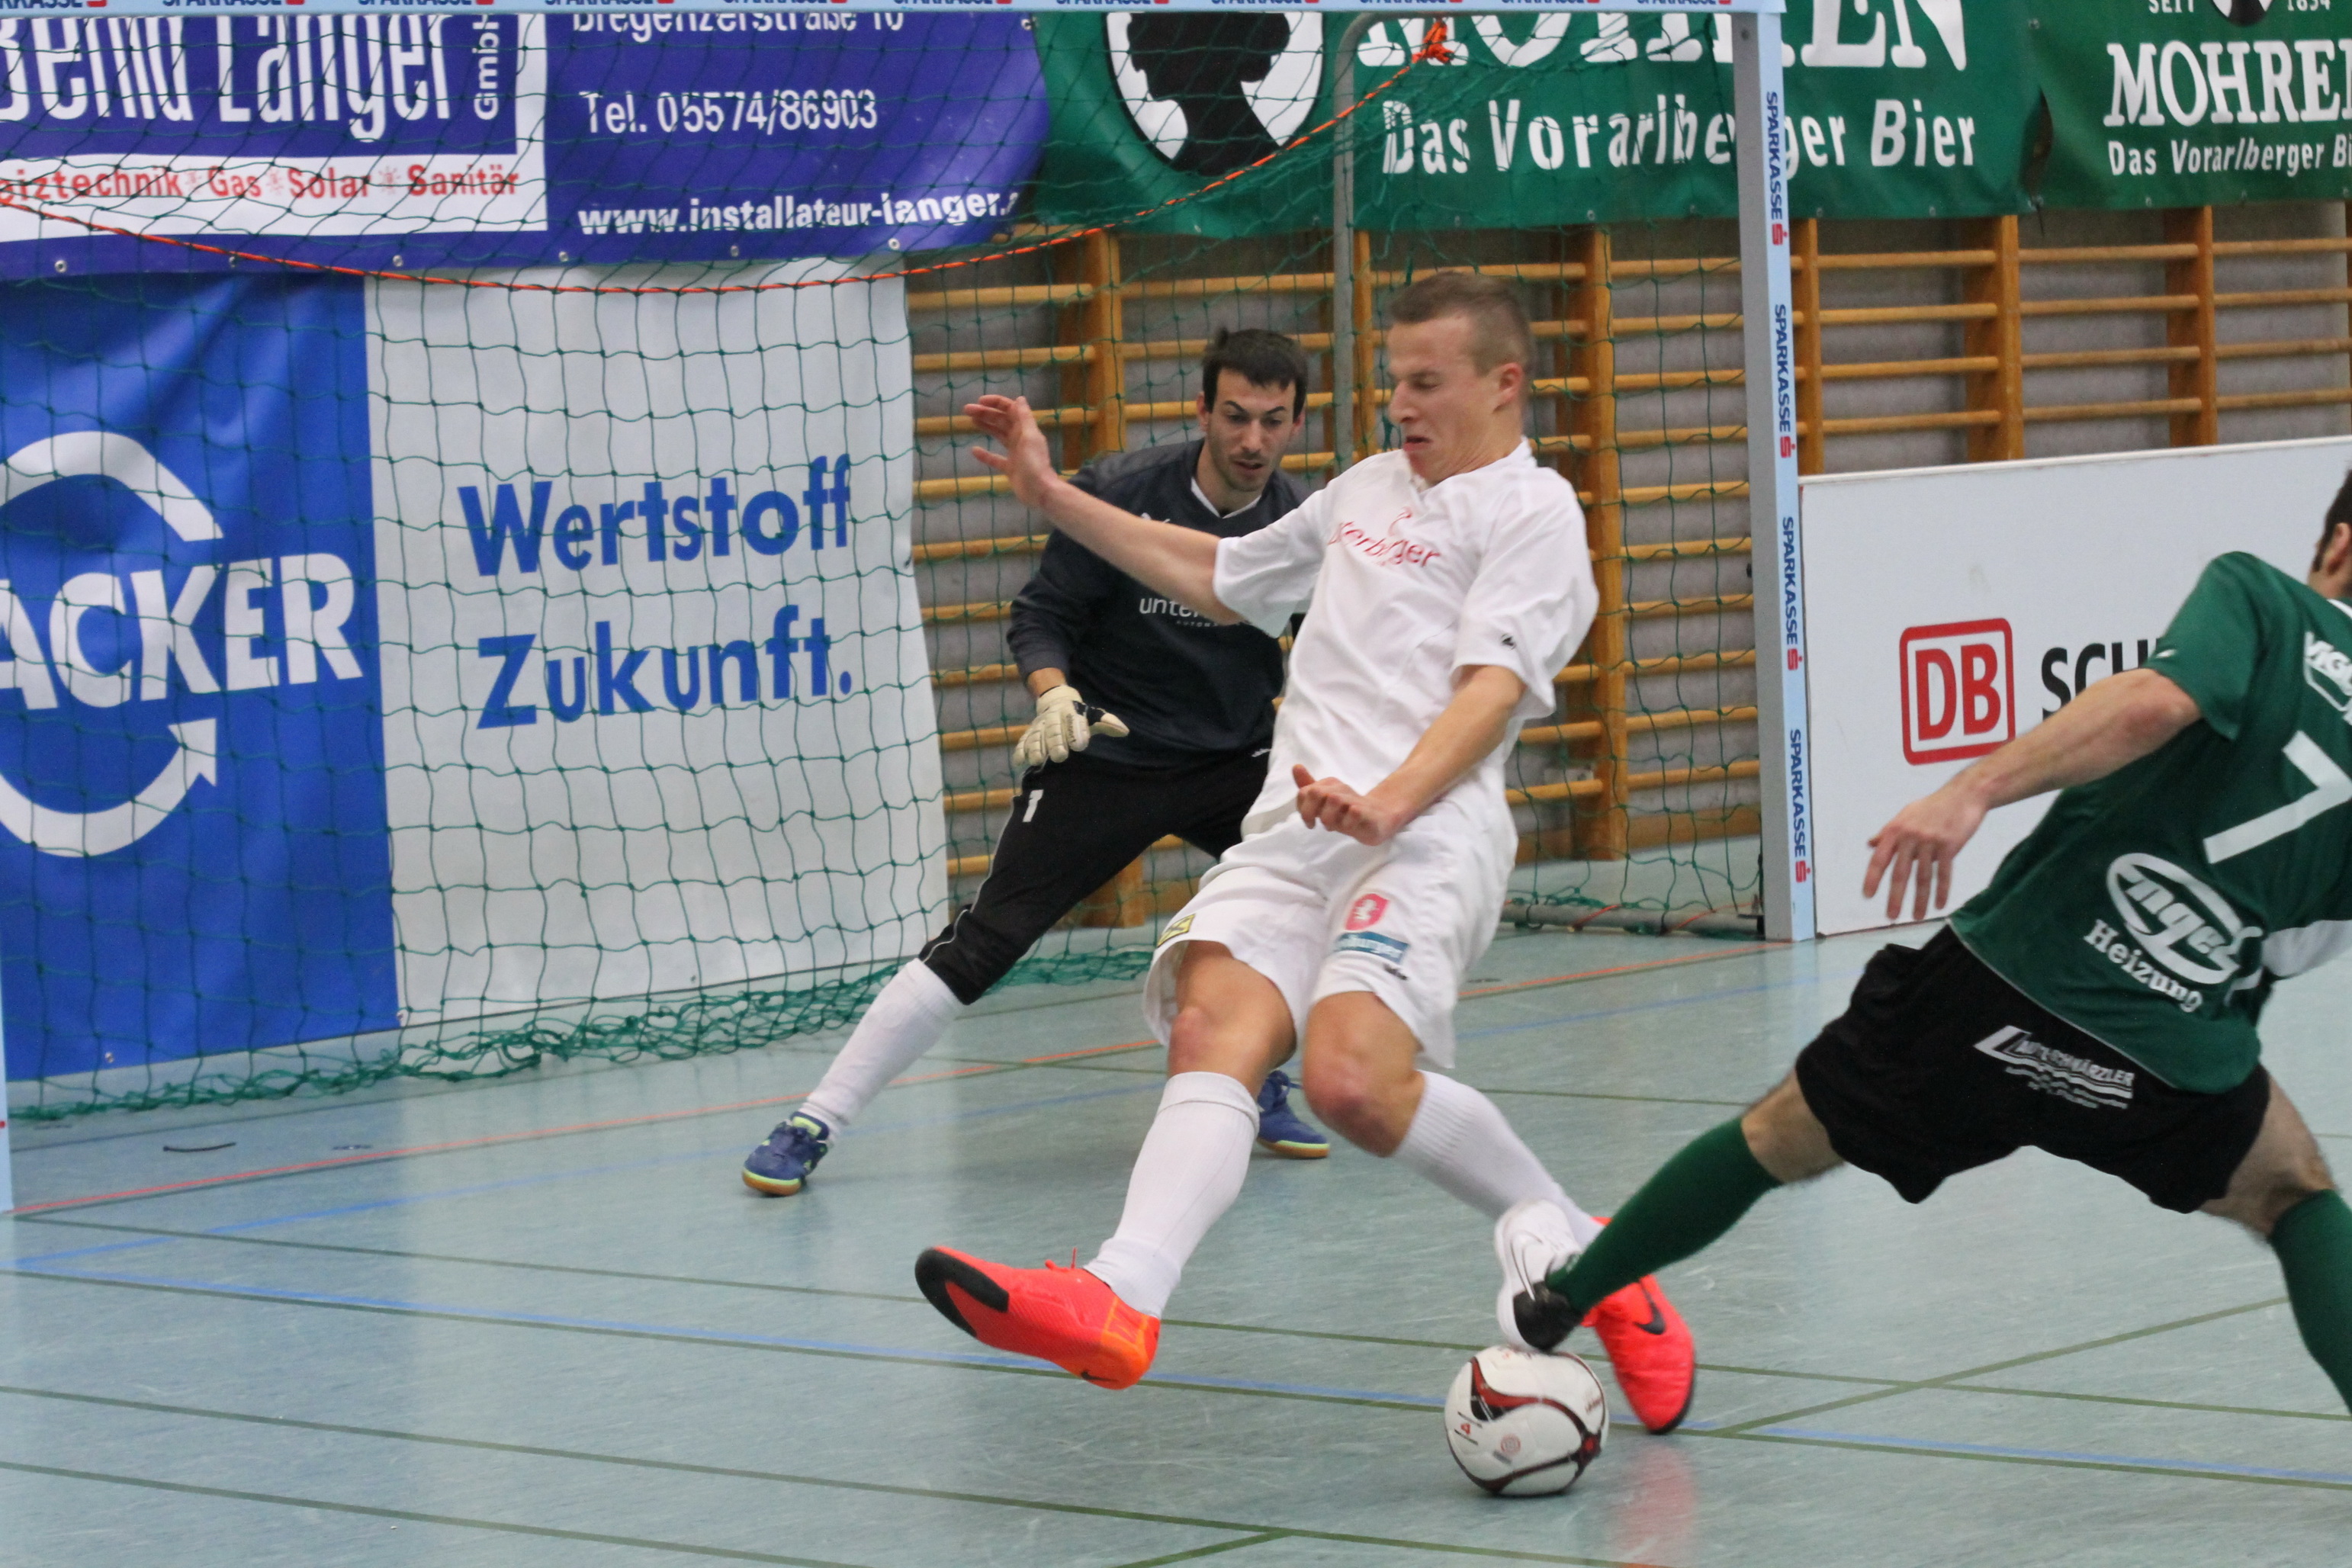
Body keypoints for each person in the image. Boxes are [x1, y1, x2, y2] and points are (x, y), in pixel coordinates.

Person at [911, 272, 1699, 1435]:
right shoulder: (1365, 488)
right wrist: (1050, 493)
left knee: (1347, 1085)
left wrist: (1390, 803)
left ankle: (1600, 1266)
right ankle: (1121, 1298)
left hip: (1424, 837)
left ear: (1504, 383)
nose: (1401, 404)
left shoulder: (1533, 515)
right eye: (1393, 382)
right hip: (1298, 828)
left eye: (1426, 383)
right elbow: (1216, 578)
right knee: (1208, 1028)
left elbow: (1491, 691)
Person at [1505, 499, 2352, 1421]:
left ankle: (1566, 1298)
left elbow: (2154, 701)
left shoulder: (2263, 599)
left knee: (1775, 1139)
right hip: (2169, 1052)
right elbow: (2297, 940)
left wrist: (1971, 788)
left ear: (2341, 542)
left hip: (2005, 980)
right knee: (2295, 1193)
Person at [742, 329, 1329, 1196]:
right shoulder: (1121, 495)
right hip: (1108, 752)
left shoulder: (1300, 526)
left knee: (1319, 897)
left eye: (1273, 422)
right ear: (1202, 409)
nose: (1252, 440)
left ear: (1296, 425)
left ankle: (1251, 1071)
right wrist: (1056, 696)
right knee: (986, 940)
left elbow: (1329, 652)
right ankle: (813, 1120)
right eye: (1236, 416)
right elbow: (1043, 615)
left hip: (1236, 762)